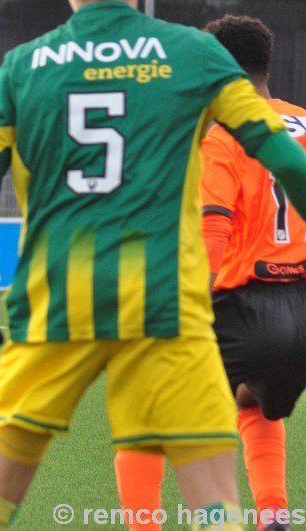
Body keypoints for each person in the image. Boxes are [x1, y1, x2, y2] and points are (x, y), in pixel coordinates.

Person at [0, 1, 306, 530]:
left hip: (57, 303)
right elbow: (287, 162)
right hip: (165, 304)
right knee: (214, 503)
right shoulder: (194, 53)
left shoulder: (24, 64)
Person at [114, 15, 305, 531]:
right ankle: (274, 518)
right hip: (302, 309)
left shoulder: (219, 132)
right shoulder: (304, 121)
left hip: (248, 304)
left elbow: (211, 231)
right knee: (252, 400)